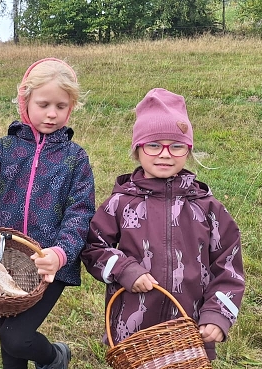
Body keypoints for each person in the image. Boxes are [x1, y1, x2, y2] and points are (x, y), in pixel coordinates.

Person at [81, 88, 245, 361]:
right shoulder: (120, 203)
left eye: (176, 145)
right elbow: (92, 247)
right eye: (154, 145)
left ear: (189, 150)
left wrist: (218, 315)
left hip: (190, 329)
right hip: (133, 333)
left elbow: (229, 267)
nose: (165, 154)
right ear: (137, 149)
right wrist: (124, 269)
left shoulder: (208, 208)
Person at [0, 58, 96, 369]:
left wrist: (60, 253)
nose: (52, 113)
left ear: (71, 107)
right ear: (25, 100)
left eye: (61, 105)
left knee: (16, 338)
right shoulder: (4, 150)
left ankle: (55, 357)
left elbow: (80, 213)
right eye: (43, 104)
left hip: (49, 265)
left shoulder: (75, 159)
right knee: (10, 349)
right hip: (5, 259)